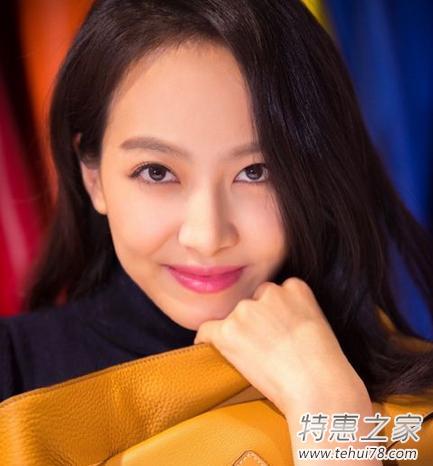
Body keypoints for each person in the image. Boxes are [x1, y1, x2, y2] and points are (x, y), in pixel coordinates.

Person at [1, 0, 433, 463]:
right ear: (93, 176)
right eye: (156, 172)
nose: (207, 237)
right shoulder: (13, 379)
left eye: (256, 172)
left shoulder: (413, 398)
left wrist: (328, 406)